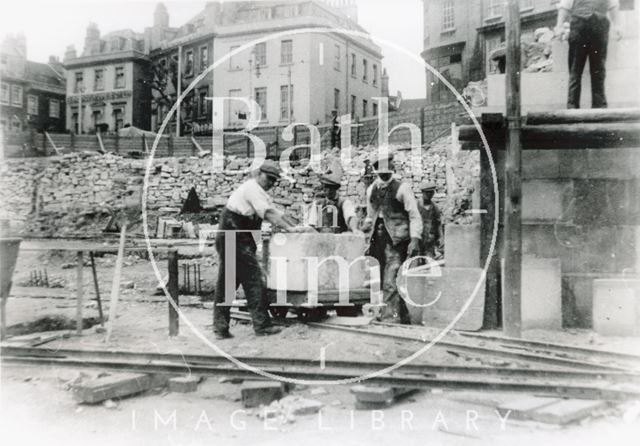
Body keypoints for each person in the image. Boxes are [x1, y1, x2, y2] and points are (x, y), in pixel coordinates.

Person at [213, 160, 307, 339]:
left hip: (236, 237)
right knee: (254, 280)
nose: (271, 183)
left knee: (227, 282)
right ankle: (262, 326)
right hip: (234, 236)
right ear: (258, 174)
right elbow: (269, 214)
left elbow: (276, 212)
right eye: (268, 178)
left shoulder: (259, 191)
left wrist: (297, 225)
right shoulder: (252, 189)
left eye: (274, 180)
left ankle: (220, 328)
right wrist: (290, 230)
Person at [363, 151, 422, 324]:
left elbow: (414, 215)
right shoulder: (371, 189)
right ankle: (401, 317)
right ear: (375, 170)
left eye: (388, 167)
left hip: (398, 240)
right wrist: (366, 225)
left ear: (392, 167)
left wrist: (415, 239)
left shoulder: (402, 188)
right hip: (379, 239)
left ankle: (390, 319)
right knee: (380, 279)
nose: (385, 171)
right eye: (381, 169)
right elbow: (371, 213)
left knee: (392, 278)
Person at [555, 0, 622, 109]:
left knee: (599, 69)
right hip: (579, 27)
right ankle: (572, 107)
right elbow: (565, 6)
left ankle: (599, 107)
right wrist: (559, 27)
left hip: (599, 27)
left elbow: (613, 5)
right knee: (575, 69)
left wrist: (618, 25)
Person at [418, 182, 442, 259]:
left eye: (431, 192)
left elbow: (438, 223)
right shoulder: (416, 205)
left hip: (430, 242)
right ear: (422, 192)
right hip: (418, 239)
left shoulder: (434, 208)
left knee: (430, 263)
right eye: (427, 192)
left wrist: (441, 237)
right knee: (415, 263)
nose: (429, 195)